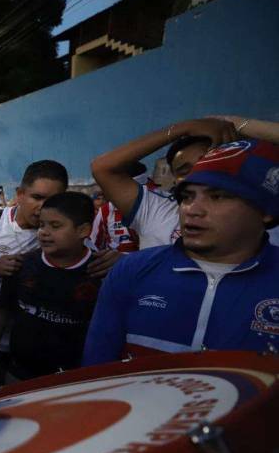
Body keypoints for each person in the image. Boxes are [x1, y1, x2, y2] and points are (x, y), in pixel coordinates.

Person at [83, 139, 279, 365]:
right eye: (187, 196)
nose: (192, 210)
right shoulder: (132, 271)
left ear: (266, 210)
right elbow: (94, 373)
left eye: (217, 196)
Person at [0, 161, 119, 395]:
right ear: (20, 195)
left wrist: (119, 261)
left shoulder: (78, 244)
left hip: (30, 358)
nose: (44, 207)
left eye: (53, 200)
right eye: (37, 197)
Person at [91, 117, 279, 249]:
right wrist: (184, 127)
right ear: (174, 179)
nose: (200, 174)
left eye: (207, 163)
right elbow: (104, 167)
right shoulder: (156, 209)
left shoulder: (258, 213)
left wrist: (235, 123)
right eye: (185, 170)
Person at [0, 192, 102, 384]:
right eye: (41, 225)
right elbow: (0, 310)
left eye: (55, 226)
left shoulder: (100, 272)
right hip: (19, 374)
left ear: (83, 230)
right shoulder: (23, 265)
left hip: (76, 380)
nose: (44, 232)